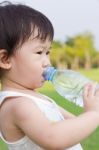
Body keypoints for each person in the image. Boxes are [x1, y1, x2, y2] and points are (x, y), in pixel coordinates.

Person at [0, 1, 99, 150]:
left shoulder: (37, 98)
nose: (47, 62)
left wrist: (90, 107)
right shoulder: (17, 105)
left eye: (48, 52)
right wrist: (93, 114)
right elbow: (53, 138)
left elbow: (73, 125)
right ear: (5, 59)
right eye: (39, 52)